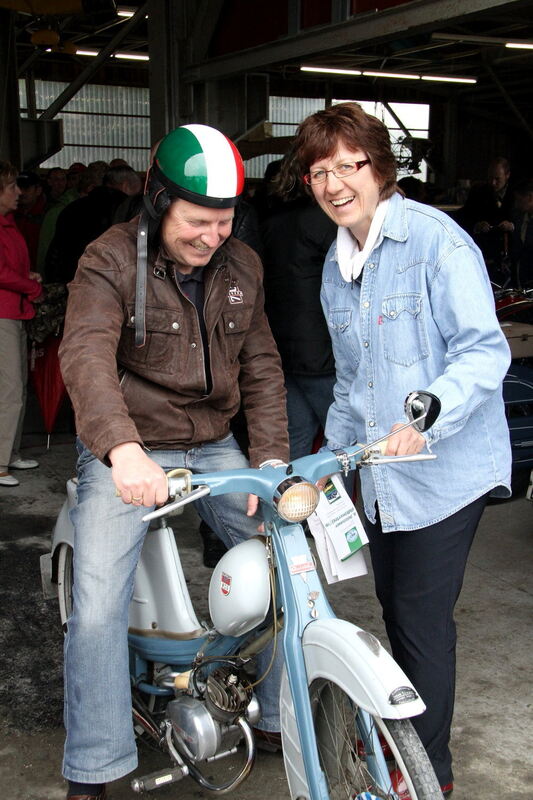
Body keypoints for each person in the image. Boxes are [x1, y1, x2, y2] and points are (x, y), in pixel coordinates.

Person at [285, 102, 512, 798]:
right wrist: (326, 458)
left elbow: (482, 350)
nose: (334, 182)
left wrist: (425, 413)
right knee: (389, 608)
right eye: (320, 170)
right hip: (379, 474)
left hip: (444, 470)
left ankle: (428, 775)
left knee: (417, 619)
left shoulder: (433, 241)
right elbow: (352, 383)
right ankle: (403, 741)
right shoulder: (335, 265)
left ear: (379, 168)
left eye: (349, 165)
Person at [58, 123, 289, 800]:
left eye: (223, 221)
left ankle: (276, 716)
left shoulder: (242, 264)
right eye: (196, 221)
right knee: (98, 605)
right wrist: (121, 449)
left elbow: (262, 365)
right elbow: (86, 357)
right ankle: (96, 765)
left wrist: (270, 457)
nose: (211, 236)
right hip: (129, 439)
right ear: (159, 202)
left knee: (284, 557)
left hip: (214, 439)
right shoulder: (105, 259)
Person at [260, 157, 337, 459]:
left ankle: (294, 506)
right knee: (342, 444)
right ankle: (341, 507)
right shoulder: (328, 223)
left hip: (280, 349)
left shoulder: (266, 225)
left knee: (296, 440)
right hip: (322, 353)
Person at [0, 161, 43, 486]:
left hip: (15, 311)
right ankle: (0, 462)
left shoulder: (9, 224)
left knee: (18, 388)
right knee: (11, 390)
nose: (19, 192)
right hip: (4, 314)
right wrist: (32, 286)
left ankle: (10, 454)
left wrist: (27, 278)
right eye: (12, 186)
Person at [45, 165, 142, 285]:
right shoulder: (126, 213)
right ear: (125, 186)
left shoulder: (72, 208)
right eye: (136, 192)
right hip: (109, 285)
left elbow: (55, 253)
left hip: (71, 283)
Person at [456, 156, 515, 284]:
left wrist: (512, 226)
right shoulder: (478, 192)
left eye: (497, 179)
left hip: (511, 258)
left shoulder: (516, 194)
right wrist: (476, 226)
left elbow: (524, 220)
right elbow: (464, 218)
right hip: (484, 255)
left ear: (507, 175)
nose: (492, 183)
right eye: (490, 178)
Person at [13, 170, 46, 269]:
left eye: (26, 188)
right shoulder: (11, 214)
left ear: (38, 190)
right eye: (19, 187)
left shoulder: (48, 214)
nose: (21, 192)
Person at [511, 178, 533, 289]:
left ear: (530, 197)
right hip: (522, 279)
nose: (516, 204)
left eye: (519, 200)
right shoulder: (519, 218)